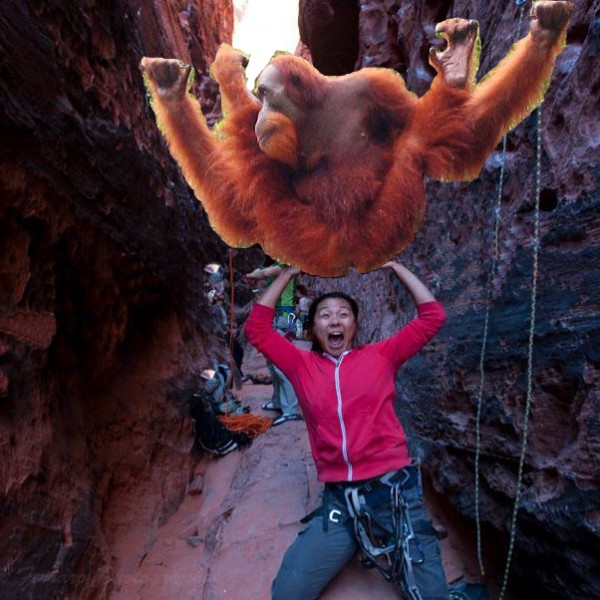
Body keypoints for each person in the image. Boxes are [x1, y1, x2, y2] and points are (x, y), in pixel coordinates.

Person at [244, 261, 450, 599]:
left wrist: (396, 267)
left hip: (391, 493)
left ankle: (383, 536)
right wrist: (287, 275)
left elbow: (432, 317)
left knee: (431, 595)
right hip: (340, 499)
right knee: (288, 593)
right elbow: (257, 329)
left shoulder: (382, 355)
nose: (335, 320)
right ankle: (358, 537)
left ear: (354, 325)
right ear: (313, 327)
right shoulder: (301, 365)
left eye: (343, 314)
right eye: (325, 315)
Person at [245, 262, 303, 426]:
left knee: (281, 364)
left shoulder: (286, 264)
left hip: (284, 317)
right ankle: (278, 401)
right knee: (272, 362)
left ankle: (291, 409)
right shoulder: (277, 264)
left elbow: (265, 273)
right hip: (276, 316)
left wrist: (249, 275)